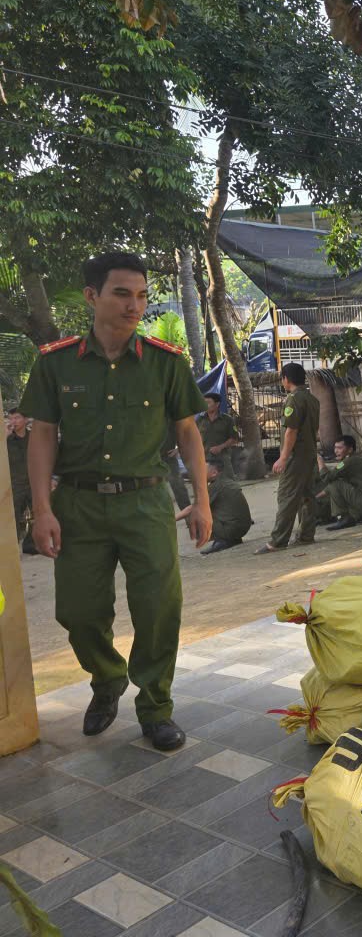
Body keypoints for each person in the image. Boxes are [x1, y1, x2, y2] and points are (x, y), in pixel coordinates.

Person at [21, 252, 211, 751]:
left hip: (146, 503)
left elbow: (188, 434)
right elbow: (42, 436)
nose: (135, 305)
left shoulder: (165, 363)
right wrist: (42, 509)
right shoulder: (56, 363)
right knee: (78, 612)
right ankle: (107, 678)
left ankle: (156, 707)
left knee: (158, 609)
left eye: (142, 295)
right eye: (122, 294)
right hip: (78, 505)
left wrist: (202, 501)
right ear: (92, 296)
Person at [256, 362, 320, 554]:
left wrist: (283, 458)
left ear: (286, 379)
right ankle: (306, 535)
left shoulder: (293, 400)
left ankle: (278, 541)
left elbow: (291, 430)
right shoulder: (312, 399)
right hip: (309, 453)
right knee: (307, 495)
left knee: (287, 496)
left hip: (295, 456)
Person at [177, 460, 251, 554]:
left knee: (196, 515)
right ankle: (231, 539)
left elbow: (193, 508)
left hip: (233, 529)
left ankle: (222, 540)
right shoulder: (224, 481)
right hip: (240, 528)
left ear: (214, 473)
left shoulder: (216, 486)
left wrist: (171, 519)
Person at [315, 434, 362, 531]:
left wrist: (320, 460)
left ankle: (344, 518)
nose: (336, 451)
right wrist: (316, 497)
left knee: (334, 484)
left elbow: (327, 478)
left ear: (350, 450)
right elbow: (334, 485)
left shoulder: (349, 462)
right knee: (335, 484)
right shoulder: (353, 460)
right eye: (335, 448)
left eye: (340, 448)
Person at [6, 407, 36, 554]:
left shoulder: (34, 438)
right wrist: (4, 437)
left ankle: (30, 544)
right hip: (14, 484)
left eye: (17, 418)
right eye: (11, 418)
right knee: (13, 518)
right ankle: (13, 548)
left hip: (33, 483)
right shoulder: (6, 440)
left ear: (26, 419)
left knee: (38, 514)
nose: (13, 421)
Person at [195, 391, 240, 478]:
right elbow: (193, 438)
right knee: (205, 482)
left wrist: (220, 447)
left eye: (208, 402)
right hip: (204, 459)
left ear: (217, 404)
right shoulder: (200, 420)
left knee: (228, 481)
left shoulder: (227, 420)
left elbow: (234, 439)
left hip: (222, 459)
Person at [162, 423, 190, 511]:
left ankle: (188, 514)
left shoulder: (170, 419)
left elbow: (187, 433)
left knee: (178, 487)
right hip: (151, 460)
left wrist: (179, 449)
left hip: (168, 458)